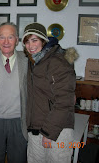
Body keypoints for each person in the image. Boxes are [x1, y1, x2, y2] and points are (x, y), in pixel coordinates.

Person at [22, 22, 79, 163]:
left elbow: (65, 101)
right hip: (35, 129)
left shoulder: (58, 61)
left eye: (34, 40)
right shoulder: (33, 61)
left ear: (43, 40)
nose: (30, 45)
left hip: (57, 131)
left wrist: (48, 132)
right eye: (27, 41)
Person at [0, 22, 28, 163]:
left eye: (10, 37)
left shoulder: (28, 61)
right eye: (2, 37)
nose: (6, 42)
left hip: (20, 121)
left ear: (17, 40)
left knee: (18, 160)